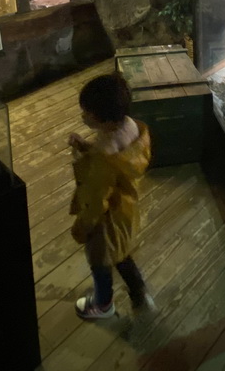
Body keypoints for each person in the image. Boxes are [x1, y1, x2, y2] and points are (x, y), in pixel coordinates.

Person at [68, 72, 155, 319]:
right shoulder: (131, 127)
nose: (83, 116)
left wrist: (84, 226)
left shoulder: (104, 155)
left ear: (104, 120)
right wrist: (85, 145)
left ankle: (104, 305)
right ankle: (140, 292)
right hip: (126, 206)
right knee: (122, 252)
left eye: (87, 113)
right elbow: (115, 159)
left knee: (100, 261)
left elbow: (95, 198)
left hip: (105, 219)